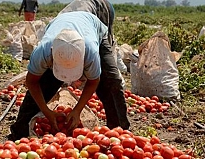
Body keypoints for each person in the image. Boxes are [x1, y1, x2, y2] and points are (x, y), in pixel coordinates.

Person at [8, 11, 130, 141]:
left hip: (92, 26)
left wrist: (77, 110)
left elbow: (94, 81)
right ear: (52, 55)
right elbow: (32, 82)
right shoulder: (42, 52)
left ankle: (119, 133)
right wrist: (46, 112)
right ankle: (20, 131)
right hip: (59, 25)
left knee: (111, 82)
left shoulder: (91, 51)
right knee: (45, 84)